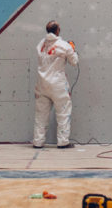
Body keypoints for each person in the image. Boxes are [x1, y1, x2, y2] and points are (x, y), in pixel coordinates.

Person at [33, 20, 79, 149]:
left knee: (40, 115)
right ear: (57, 30)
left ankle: (38, 142)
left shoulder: (41, 44)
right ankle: (63, 142)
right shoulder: (64, 46)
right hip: (58, 85)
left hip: (41, 84)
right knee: (63, 112)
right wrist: (73, 49)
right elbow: (74, 62)